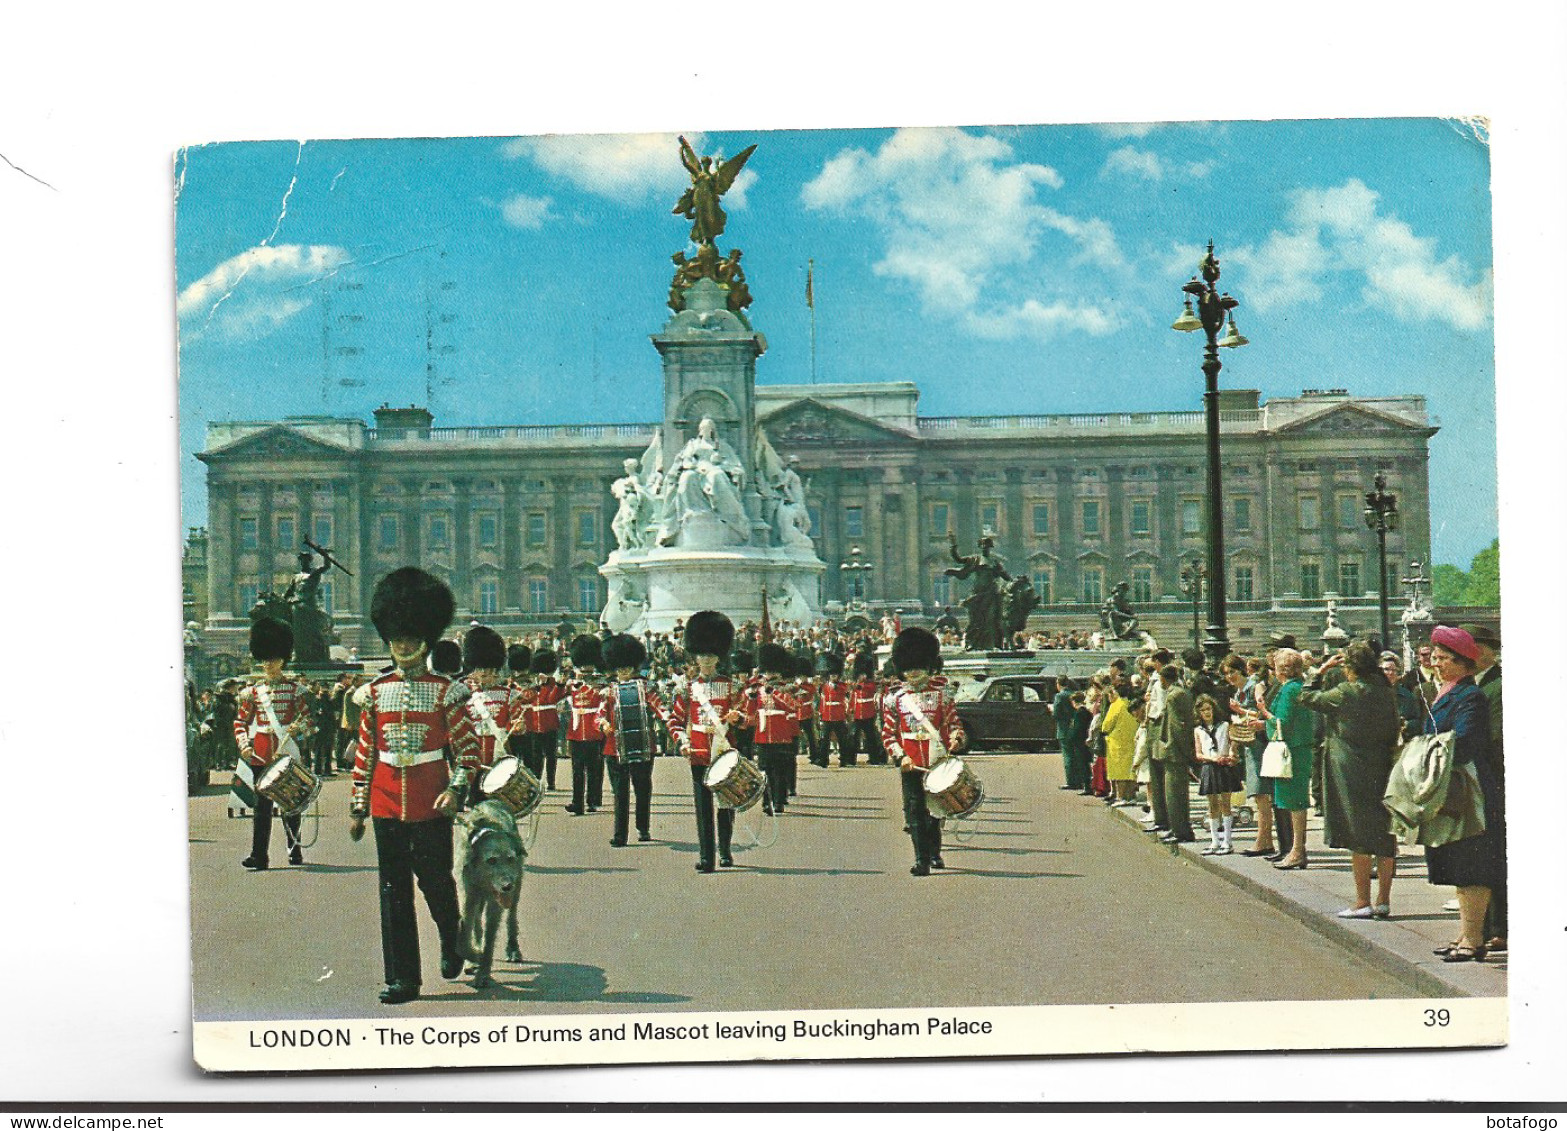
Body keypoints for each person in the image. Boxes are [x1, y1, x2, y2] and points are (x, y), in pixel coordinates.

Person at [348, 567, 480, 1005]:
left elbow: (467, 752)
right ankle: (403, 977)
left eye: (411, 637)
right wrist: (357, 805)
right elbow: (366, 752)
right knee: (393, 891)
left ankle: (452, 936)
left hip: (430, 801)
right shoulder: (374, 691)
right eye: (397, 638)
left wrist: (457, 788)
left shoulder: (447, 692)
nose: (403, 646)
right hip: (387, 802)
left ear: (426, 639)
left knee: (437, 882)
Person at [1299, 640, 1402, 918]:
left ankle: (1361, 901)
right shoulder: (1384, 691)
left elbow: (1307, 697)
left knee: (1359, 835)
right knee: (1383, 832)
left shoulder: (1346, 692)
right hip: (1381, 765)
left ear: (1352, 668)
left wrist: (1318, 671)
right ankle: (1383, 900)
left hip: (1351, 768)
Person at [1423, 626, 1503, 963]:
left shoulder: (1469, 695)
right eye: (1436, 657)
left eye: (1442, 658)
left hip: (1468, 790)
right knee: (1458, 863)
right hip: (1451, 786)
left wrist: (1428, 752)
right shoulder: (1447, 690)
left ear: (1462, 661)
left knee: (1472, 864)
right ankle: (1465, 933)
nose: (1435, 663)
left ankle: (1474, 939)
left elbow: (1467, 740)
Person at [881, 627, 968, 876]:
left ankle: (933, 852)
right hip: (911, 762)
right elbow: (888, 734)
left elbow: (954, 724)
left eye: (918, 665)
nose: (913, 671)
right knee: (915, 811)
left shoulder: (942, 696)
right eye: (909, 667)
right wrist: (901, 756)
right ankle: (922, 859)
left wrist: (956, 738)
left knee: (935, 813)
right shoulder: (895, 700)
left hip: (937, 761)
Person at [668, 611, 745, 871]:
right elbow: (675, 721)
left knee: (725, 804)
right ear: (695, 656)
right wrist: (683, 742)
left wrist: (738, 717)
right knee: (703, 808)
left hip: (723, 751)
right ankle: (706, 856)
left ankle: (724, 850)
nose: (707, 659)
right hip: (699, 751)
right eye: (702, 655)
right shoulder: (688, 689)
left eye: (711, 654)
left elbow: (748, 717)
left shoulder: (731, 686)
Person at [235, 617, 314, 869]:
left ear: (283, 659)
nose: (269, 664)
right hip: (260, 753)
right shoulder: (253, 692)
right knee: (262, 808)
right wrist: (245, 745)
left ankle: (294, 848)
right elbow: (240, 721)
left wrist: (298, 727)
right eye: (265, 658)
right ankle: (260, 855)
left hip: (286, 752)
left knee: (290, 804)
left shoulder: (295, 690)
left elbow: (307, 721)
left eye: (274, 658)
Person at [1254, 647, 1313, 869]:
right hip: (1296, 747)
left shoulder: (1289, 690)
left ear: (1281, 670)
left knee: (1295, 801)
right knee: (1293, 801)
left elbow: (1282, 721)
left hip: (1292, 750)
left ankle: (1297, 850)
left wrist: (1264, 712)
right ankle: (1296, 849)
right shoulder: (1295, 687)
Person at [600, 634, 660, 846]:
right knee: (620, 792)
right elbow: (599, 715)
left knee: (642, 787)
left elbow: (661, 710)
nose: (623, 672)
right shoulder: (608, 691)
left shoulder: (647, 689)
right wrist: (604, 724)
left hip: (643, 744)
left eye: (627, 667)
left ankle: (643, 827)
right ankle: (620, 834)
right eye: (620, 668)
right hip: (615, 747)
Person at [751, 643, 802, 816]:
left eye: (771, 671)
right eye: (766, 672)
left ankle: (779, 800)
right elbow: (750, 707)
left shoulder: (785, 688)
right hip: (763, 734)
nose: (769, 675)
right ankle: (767, 801)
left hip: (781, 733)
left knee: (779, 770)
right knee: (764, 769)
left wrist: (775, 693)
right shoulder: (758, 688)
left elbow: (794, 706)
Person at [563, 636, 607, 816]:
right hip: (576, 732)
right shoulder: (572, 684)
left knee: (595, 769)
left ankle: (593, 799)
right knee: (577, 770)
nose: (585, 671)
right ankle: (577, 802)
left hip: (594, 732)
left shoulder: (601, 683)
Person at [1153, 665, 1197, 844]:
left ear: (1164, 678)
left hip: (1174, 752)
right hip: (1176, 750)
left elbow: (1177, 726)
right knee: (1174, 793)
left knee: (1174, 794)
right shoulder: (1181, 692)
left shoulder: (1173, 695)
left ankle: (1180, 831)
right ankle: (1177, 828)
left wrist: (1182, 750)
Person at [1194, 693, 1241, 854]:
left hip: (1224, 766)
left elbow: (1233, 743)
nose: (1207, 713)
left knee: (1225, 803)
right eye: (1203, 710)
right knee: (1212, 805)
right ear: (1199, 713)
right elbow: (1198, 754)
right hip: (1209, 766)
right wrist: (1212, 759)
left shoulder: (1225, 726)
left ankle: (1227, 842)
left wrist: (1231, 754)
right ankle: (1214, 841)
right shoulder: (1198, 730)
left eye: (1209, 709)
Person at [524, 650, 567, 790]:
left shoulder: (553, 683)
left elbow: (553, 699)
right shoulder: (531, 684)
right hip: (535, 724)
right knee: (536, 757)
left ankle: (551, 782)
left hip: (550, 724)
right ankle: (537, 781)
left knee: (551, 755)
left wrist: (547, 683)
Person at [1100, 680, 1139, 805]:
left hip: (1117, 742)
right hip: (1132, 740)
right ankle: (1131, 796)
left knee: (1119, 772)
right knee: (1131, 770)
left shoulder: (1116, 705)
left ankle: (1121, 797)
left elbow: (1106, 726)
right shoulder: (1133, 704)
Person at [816, 653, 854, 767]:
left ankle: (844, 760)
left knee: (842, 740)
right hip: (827, 715)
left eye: (835, 675)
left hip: (839, 715)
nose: (834, 677)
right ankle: (823, 760)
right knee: (824, 740)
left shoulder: (842, 686)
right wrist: (821, 714)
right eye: (832, 675)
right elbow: (822, 701)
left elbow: (848, 697)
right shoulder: (824, 686)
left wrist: (847, 713)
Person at [849, 652, 885, 764]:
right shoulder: (856, 685)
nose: (862, 676)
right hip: (857, 713)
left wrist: (859, 684)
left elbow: (869, 689)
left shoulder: (870, 684)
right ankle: (851, 759)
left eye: (863, 674)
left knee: (871, 737)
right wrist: (850, 708)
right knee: (853, 736)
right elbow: (853, 697)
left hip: (868, 713)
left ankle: (874, 758)